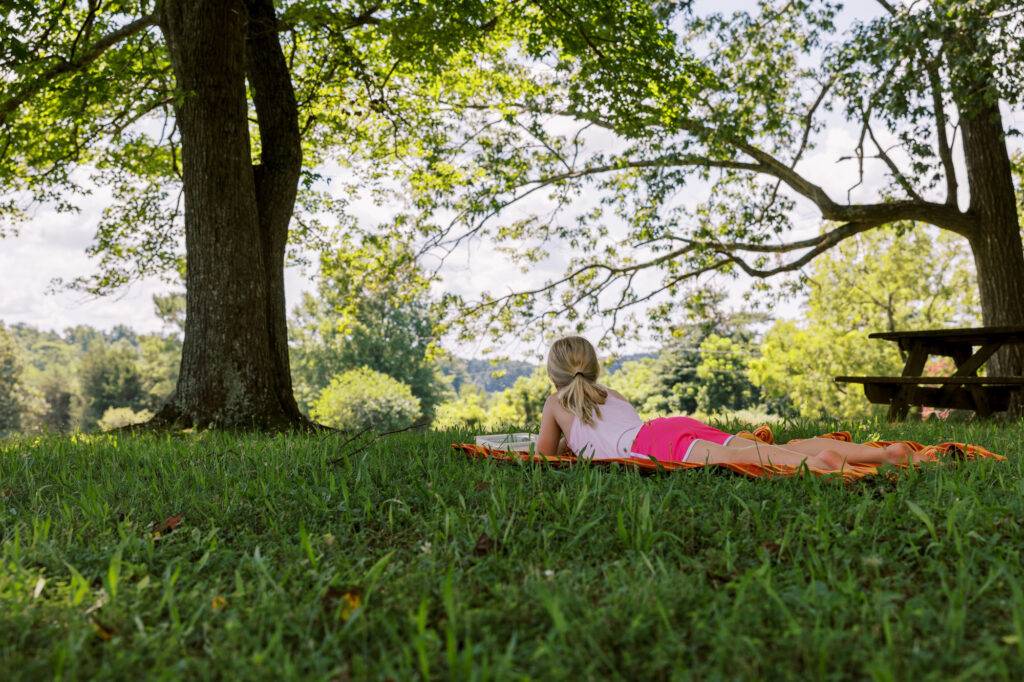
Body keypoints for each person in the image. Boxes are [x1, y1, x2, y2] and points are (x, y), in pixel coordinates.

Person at [536, 336, 922, 471]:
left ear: (555, 375)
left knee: (760, 459)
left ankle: (821, 465)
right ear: (594, 368)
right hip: (664, 429)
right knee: (766, 449)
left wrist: (568, 445)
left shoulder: (554, 405)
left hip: (651, 447)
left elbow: (544, 456)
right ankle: (884, 454)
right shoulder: (612, 395)